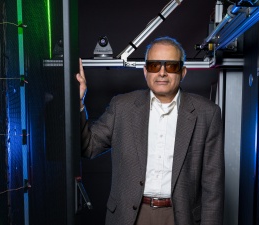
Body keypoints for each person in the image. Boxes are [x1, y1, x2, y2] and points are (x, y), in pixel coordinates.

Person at [76, 36, 224, 225]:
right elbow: (88, 147)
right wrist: (78, 102)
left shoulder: (207, 113)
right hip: (130, 216)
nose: (162, 73)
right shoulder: (122, 107)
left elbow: (213, 184)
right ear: (145, 71)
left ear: (183, 72)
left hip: (181, 216)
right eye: (154, 66)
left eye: (171, 66)